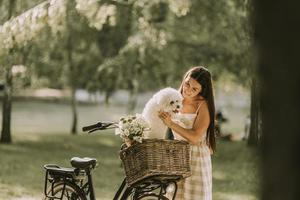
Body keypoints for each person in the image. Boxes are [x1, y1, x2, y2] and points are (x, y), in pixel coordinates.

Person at [158, 66, 216, 200]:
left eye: (194, 89)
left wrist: (171, 124)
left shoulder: (203, 105)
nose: (188, 90)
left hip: (196, 158)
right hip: (178, 157)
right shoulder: (174, 100)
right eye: (187, 84)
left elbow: (195, 137)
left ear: (202, 90)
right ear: (184, 80)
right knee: (175, 196)